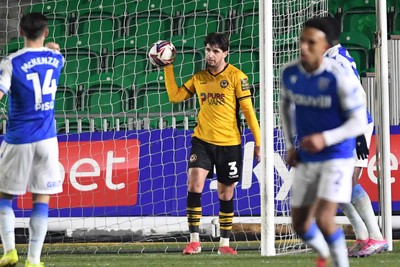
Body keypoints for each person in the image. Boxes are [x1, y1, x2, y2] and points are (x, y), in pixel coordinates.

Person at [162, 32, 261, 255]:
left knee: (226, 194)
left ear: (225, 53)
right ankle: (194, 240)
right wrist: (168, 67)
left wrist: (258, 141)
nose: (210, 55)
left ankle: (224, 244)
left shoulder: (237, 77)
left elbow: (248, 112)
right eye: (208, 50)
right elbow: (175, 97)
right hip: (202, 140)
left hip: (229, 143)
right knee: (194, 183)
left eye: (216, 51)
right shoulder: (199, 78)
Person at [280, 17, 367, 267]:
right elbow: (285, 107)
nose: (303, 47)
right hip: (308, 154)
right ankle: (325, 254)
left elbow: (359, 121)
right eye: (301, 41)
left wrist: (325, 137)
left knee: (324, 218)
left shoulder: (339, 76)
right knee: (300, 224)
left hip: (337, 154)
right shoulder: (290, 73)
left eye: (311, 42)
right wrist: (289, 145)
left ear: (325, 45)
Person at [0, 13, 64, 267]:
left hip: (18, 138)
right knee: (41, 198)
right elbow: (54, 54)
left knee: (4, 195)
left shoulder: (11, 61)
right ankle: (34, 261)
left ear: (20, 31)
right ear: (46, 32)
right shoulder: (57, 58)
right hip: (47, 140)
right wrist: (51, 49)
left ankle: (9, 252)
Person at [321, 16, 388, 258]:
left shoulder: (338, 61)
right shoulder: (330, 59)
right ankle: (362, 236)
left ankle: (376, 237)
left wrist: (359, 135)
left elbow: (358, 95)